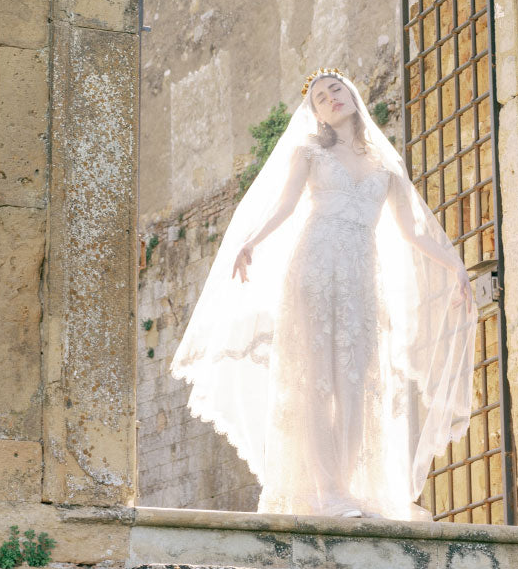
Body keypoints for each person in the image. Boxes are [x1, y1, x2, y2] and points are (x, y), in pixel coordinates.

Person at [171, 69, 477, 520]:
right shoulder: (308, 151)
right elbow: (286, 205)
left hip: (360, 276)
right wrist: (251, 241)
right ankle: (328, 491)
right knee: (317, 383)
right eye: (319, 97)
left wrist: (456, 266)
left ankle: (347, 487)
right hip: (314, 268)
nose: (330, 98)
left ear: (352, 95)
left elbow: (411, 229)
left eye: (336, 89)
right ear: (314, 114)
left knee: (357, 385)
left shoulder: (386, 164)